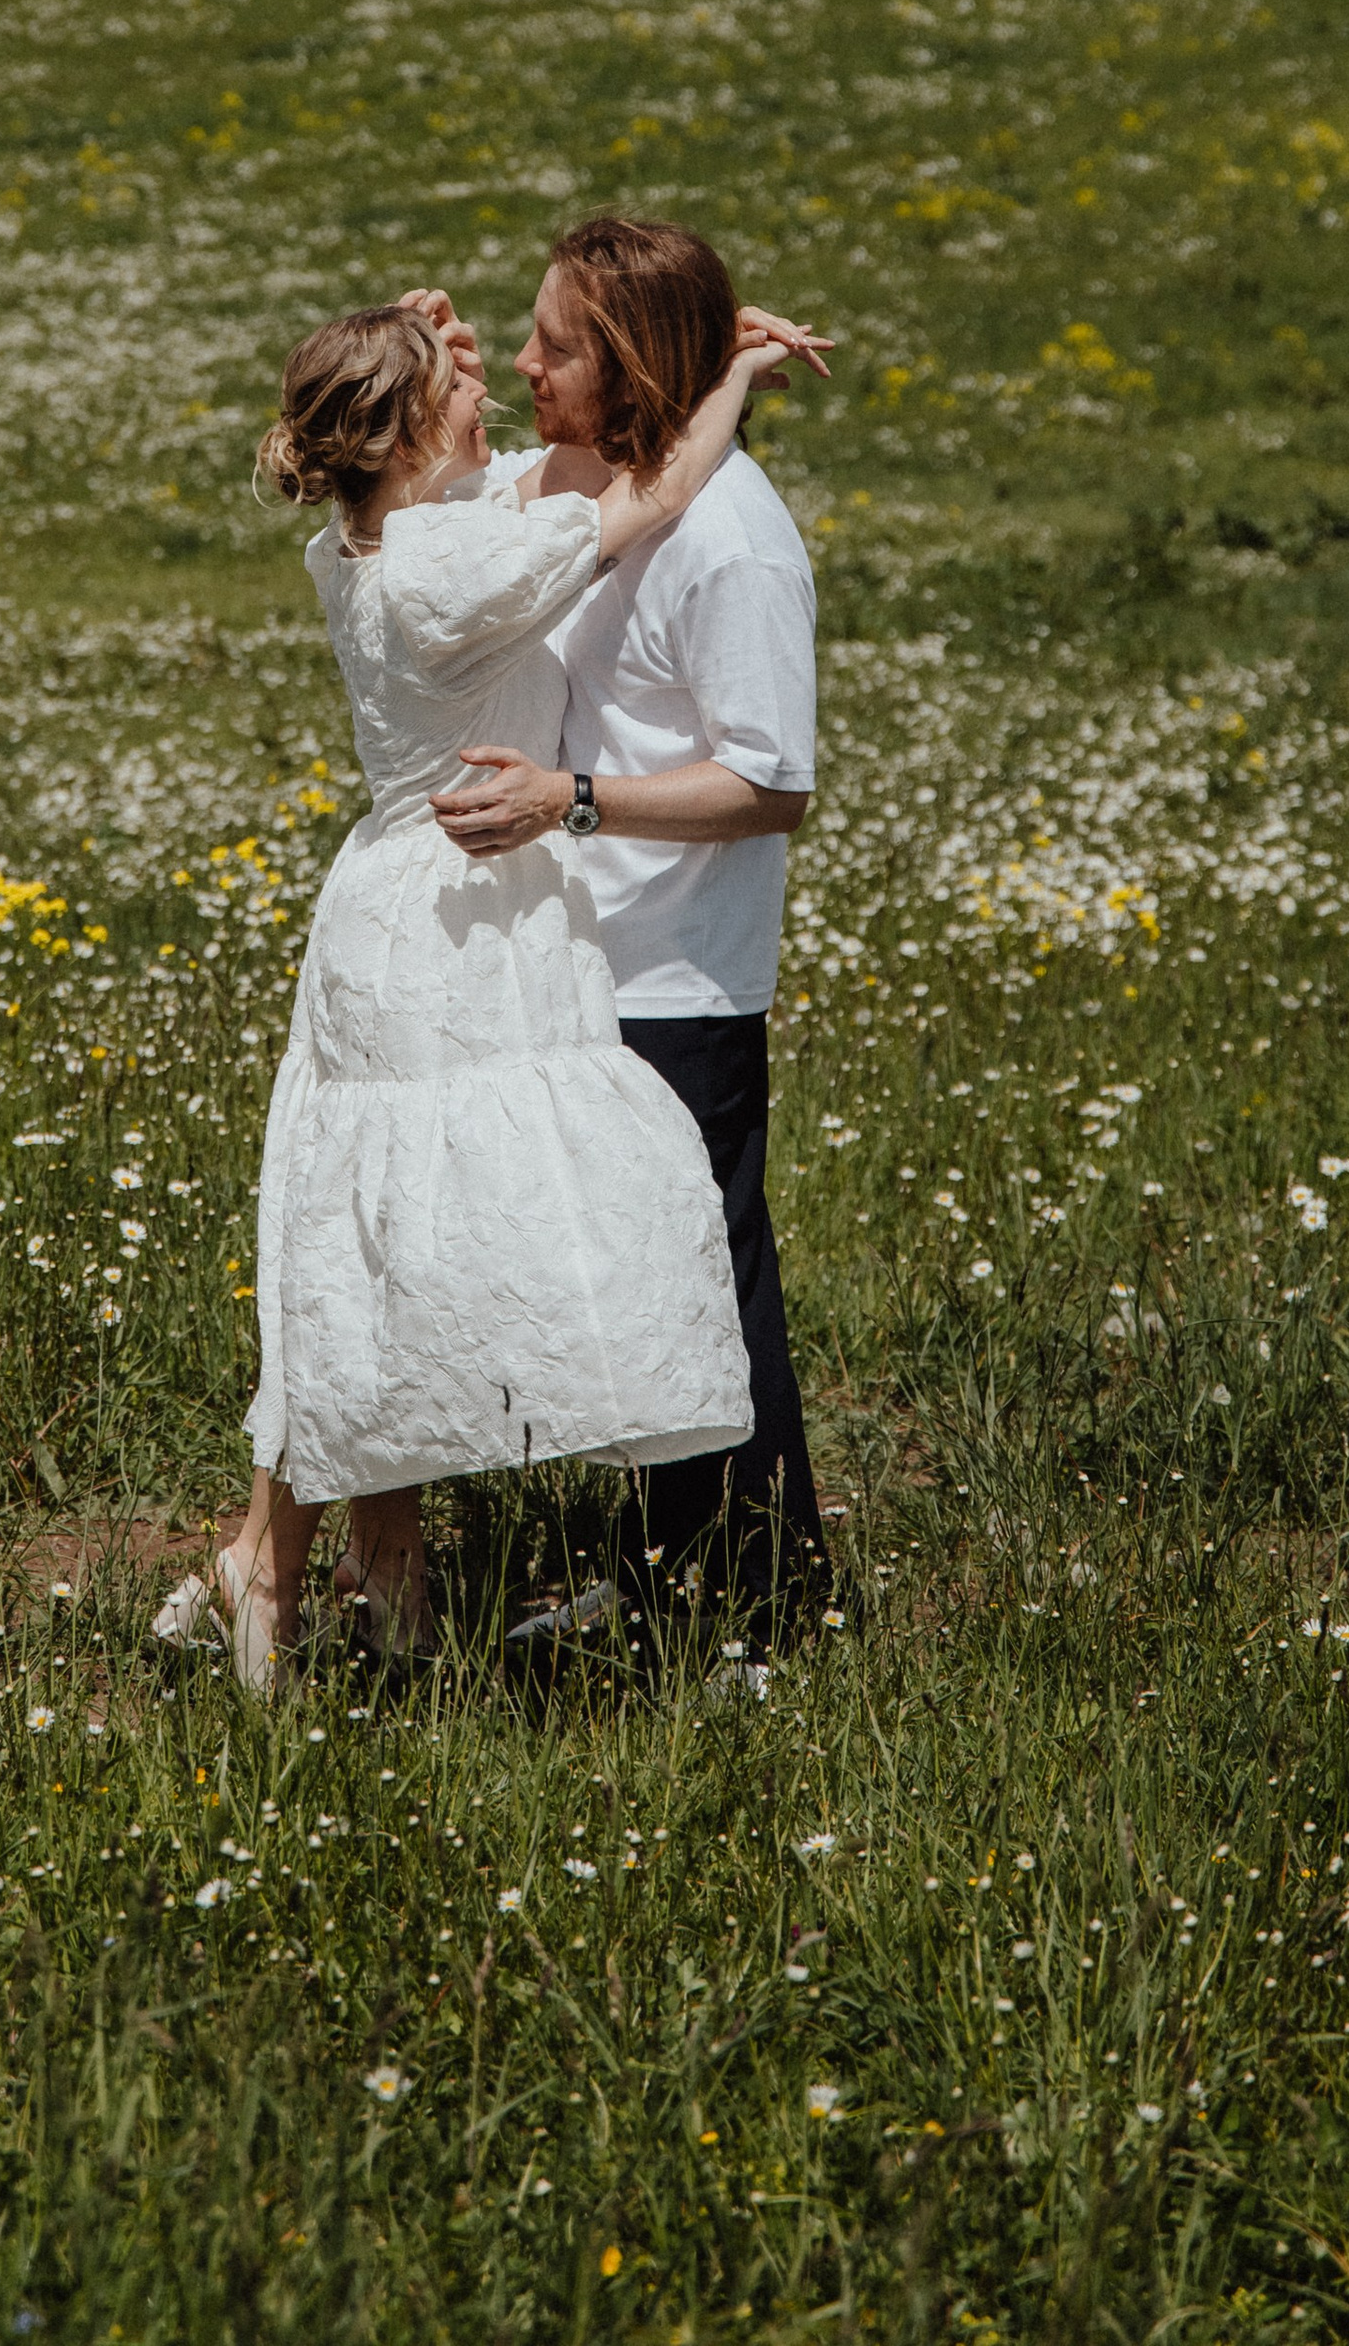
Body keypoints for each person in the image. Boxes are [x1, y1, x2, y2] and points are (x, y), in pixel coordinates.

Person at [182, 299, 783, 1694]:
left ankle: (374, 1591)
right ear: (398, 436)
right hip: (457, 917)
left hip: (404, 899)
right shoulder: (444, 573)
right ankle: (289, 1574)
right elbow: (661, 491)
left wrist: (419, 336)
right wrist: (736, 370)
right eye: (456, 393)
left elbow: (474, 476)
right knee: (420, 1241)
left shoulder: (370, 543)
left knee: (382, 1242)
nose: (487, 404)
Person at [418, 217, 832, 1640]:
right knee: (621, 1296)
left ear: (632, 364)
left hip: (679, 974)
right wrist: (438, 367)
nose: (529, 361)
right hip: (575, 959)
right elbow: (449, 507)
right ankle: (665, 1579)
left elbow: (772, 785)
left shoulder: (735, 545)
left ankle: (768, 1608)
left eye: (557, 343)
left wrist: (572, 798)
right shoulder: (587, 481)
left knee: (710, 1284)